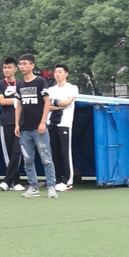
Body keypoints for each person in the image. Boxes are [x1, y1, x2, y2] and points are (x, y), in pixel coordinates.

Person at [14, 54, 58, 199]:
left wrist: (43, 122)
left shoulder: (40, 81)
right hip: (24, 129)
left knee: (46, 158)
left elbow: (47, 102)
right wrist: (17, 124)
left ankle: (51, 187)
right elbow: (19, 104)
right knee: (27, 160)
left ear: (32, 65)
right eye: (20, 64)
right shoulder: (19, 84)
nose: (22, 66)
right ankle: (33, 187)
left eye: (25, 63)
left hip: (39, 128)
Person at [47, 63, 79, 192]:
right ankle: (56, 179)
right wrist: (58, 105)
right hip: (51, 122)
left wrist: (55, 103)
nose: (57, 74)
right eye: (55, 72)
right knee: (53, 152)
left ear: (66, 74)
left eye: (60, 72)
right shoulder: (50, 90)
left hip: (64, 123)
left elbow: (67, 103)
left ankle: (68, 181)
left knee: (65, 152)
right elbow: (46, 106)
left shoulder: (72, 88)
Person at [0, 57, 24, 192]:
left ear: (15, 69)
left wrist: (14, 100)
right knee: (8, 154)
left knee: (17, 153)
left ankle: (8, 181)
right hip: (6, 122)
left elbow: (25, 101)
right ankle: (14, 181)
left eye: (9, 67)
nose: (6, 70)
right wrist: (17, 100)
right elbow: (2, 101)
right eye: (4, 68)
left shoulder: (21, 84)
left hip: (20, 123)